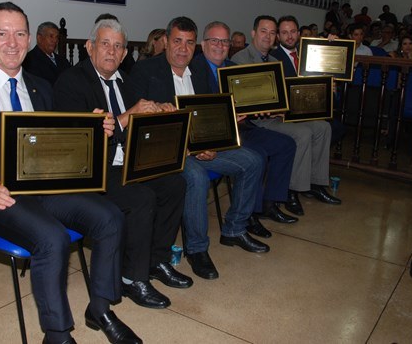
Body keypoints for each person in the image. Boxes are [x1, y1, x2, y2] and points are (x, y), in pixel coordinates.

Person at [0, 2, 141, 344]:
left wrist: (96, 130)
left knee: (110, 217)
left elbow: (61, 148)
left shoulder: (42, 88)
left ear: (28, 38)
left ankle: (100, 309)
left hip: (44, 188)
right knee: (52, 238)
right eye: (2, 33)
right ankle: (57, 334)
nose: (12, 42)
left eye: (20, 33)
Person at [53, 18, 190, 310]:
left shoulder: (126, 81)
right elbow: (76, 142)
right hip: (93, 170)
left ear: (125, 53)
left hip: (126, 162)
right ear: (90, 47)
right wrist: (128, 116)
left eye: (118, 47)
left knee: (175, 184)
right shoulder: (70, 82)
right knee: (141, 197)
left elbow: (138, 125)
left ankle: (157, 261)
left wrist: (159, 114)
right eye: (105, 44)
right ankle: (132, 277)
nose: (111, 51)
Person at [130, 16, 268, 281]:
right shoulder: (145, 71)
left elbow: (210, 116)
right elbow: (140, 125)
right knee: (195, 176)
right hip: (171, 152)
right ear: (166, 41)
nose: (183, 49)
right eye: (177, 41)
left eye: (189, 43)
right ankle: (196, 249)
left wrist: (214, 142)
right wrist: (188, 148)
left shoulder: (201, 70)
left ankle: (234, 229)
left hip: (201, 146)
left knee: (253, 160)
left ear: (196, 46)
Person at [192, 21, 298, 225]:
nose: (220, 46)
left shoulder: (234, 68)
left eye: (225, 41)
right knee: (257, 155)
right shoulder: (193, 71)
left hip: (243, 127)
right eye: (214, 40)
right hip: (218, 136)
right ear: (203, 44)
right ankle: (251, 215)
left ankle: (269, 204)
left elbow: (248, 102)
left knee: (286, 144)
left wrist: (259, 107)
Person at [232, 15, 341, 208]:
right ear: (253, 33)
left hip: (278, 115)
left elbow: (281, 94)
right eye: (264, 31)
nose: (268, 36)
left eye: (272, 32)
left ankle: (315, 183)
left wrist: (330, 45)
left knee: (323, 127)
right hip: (255, 121)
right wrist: (277, 108)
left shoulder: (274, 60)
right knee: (303, 133)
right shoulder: (240, 59)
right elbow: (245, 99)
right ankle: (292, 190)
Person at [22, 21, 70, 86]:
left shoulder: (63, 61)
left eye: (57, 37)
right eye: (51, 36)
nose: (55, 40)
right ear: (39, 38)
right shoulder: (29, 60)